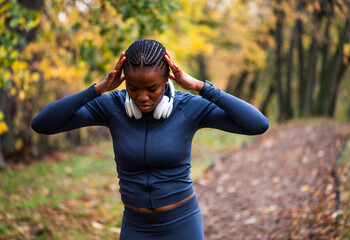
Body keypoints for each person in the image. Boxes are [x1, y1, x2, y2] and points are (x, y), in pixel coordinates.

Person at [31, 39, 269, 239]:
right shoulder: (111, 106)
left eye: (152, 89)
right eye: (134, 89)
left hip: (182, 224)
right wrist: (97, 90)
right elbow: (43, 124)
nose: (142, 97)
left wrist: (201, 87)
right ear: (124, 80)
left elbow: (257, 124)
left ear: (167, 79)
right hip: (135, 227)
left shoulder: (188, 108)